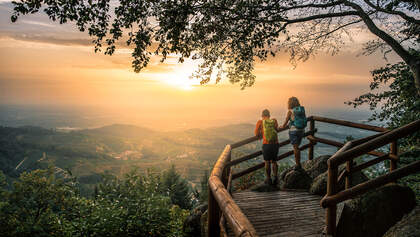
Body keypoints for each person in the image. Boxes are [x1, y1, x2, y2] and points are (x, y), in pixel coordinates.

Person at [255, 109, 280, 185]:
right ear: (269, 115)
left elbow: (256, 134)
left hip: (266, 144)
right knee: (274, 161)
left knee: (267, 162)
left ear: (262, 116)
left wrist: (260, 133)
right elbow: (276, 129)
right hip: (275, 144)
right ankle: (275, 177)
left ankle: (268, 179)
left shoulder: (260, 122)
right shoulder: (274, 121)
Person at [281, 97, 307, 170]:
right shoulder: (301, 110)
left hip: (294, 131)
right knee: (297, 147)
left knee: (296, 148)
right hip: (301, 130)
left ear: (290, 103)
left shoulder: (290, 111)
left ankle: (298, 165)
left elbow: (286, 122)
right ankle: (298, 164)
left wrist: (282, 126)